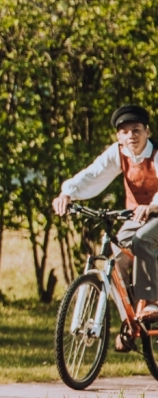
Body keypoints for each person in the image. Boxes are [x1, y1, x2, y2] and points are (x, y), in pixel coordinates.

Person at [53, 104, 158, 327]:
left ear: (147, 132)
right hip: (136, 217)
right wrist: (67, 194)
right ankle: (128, 323)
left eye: (137, 130)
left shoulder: (156, 153)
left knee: (142, 239)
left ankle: (150, 300)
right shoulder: (118, 153)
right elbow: (93, 174)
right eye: (125, 131)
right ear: (119, 136)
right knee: (116, 260)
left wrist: (151, 206)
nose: (131, 136)